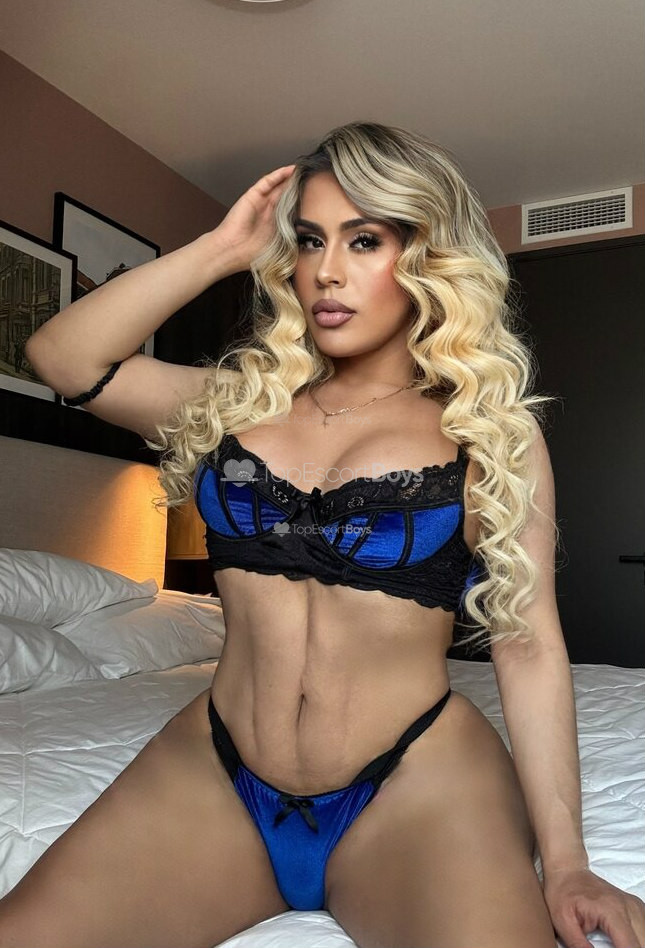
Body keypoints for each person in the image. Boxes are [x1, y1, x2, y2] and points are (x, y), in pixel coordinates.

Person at [4, 121, 643, 948]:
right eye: (308, 240)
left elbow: (527, 646)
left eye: (364, 240)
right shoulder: (233, 404)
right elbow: (60, 358)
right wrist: (221, 248)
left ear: (426, 257)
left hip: (412, 780)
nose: (326, 271)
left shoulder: (486, 432)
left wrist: (566, 864)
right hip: (217, 767)